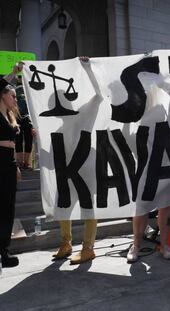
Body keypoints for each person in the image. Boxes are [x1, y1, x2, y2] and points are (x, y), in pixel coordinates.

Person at [52, 56, 98, 265]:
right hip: (67, 173)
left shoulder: (82, 116)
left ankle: (88, 248)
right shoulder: (59, 129)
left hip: (85, 171)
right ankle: (66, 243)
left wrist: (88, 69)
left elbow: (98, 96)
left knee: (88, 207)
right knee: (62, 206)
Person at [0, 62, 23, 268]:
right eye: (12, 95)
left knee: (8, 209)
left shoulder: (10, 117)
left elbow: (13, 144)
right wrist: (14, 72)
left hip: (8, 163)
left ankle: (4, 252)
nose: (15, 99)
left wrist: (15, 164)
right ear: (2, 94)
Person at [15, 80, 36, 170]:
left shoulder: (29, 90)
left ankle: (26, 163)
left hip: (27, 119)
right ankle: (21, 163)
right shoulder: (16, 89)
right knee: (19, 140)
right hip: (18, 117)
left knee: (28, 140)